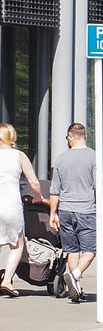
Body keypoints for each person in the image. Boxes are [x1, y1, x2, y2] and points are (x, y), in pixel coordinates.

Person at [48, 122, 96, 304]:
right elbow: (99, 185)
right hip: (86, 210)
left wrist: (53, 213)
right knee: (91, 249)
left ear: (70, 136)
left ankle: (76, 288)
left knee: (71, 250)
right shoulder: (94, 157)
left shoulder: (61, 159)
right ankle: (75, 275)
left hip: (65, 210)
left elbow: (55, 189)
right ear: (84, 136)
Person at [0, 124, 43, 297]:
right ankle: (7, 280)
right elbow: (33, 182)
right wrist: (38, 196)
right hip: (10, 204)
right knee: (17, 245)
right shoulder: (19, 156)